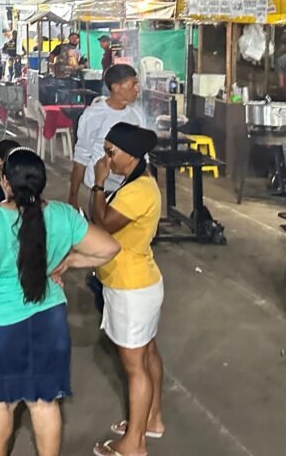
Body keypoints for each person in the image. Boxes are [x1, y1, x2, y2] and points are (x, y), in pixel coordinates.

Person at [0, 148, 121, 456]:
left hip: (2, 325)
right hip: (49, 320)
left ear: (5, 181)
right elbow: (109, 248)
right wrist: (70, 260)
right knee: (44, 402)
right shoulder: (61, 214)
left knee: (1, 403)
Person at [89, 123, 166, 456]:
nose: (107, 158)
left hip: (130, 287)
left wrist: (97, 184)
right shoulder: (138, 184)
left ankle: (133, 443)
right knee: (147, 355)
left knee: (135, 368)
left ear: (131, 155)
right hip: (141, 282)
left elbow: (102, 224)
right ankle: (151, 420)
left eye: (111, 152)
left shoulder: (138, 191)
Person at [70, 64, 143, 211]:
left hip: (129, 189)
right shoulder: (93, 115)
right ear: (116, 87)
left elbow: (143, 157)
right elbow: (81, 157)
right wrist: (73, 196)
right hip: (101, 190)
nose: (137, 89)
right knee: (103, 229)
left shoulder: (136, 116)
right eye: (133, 85)